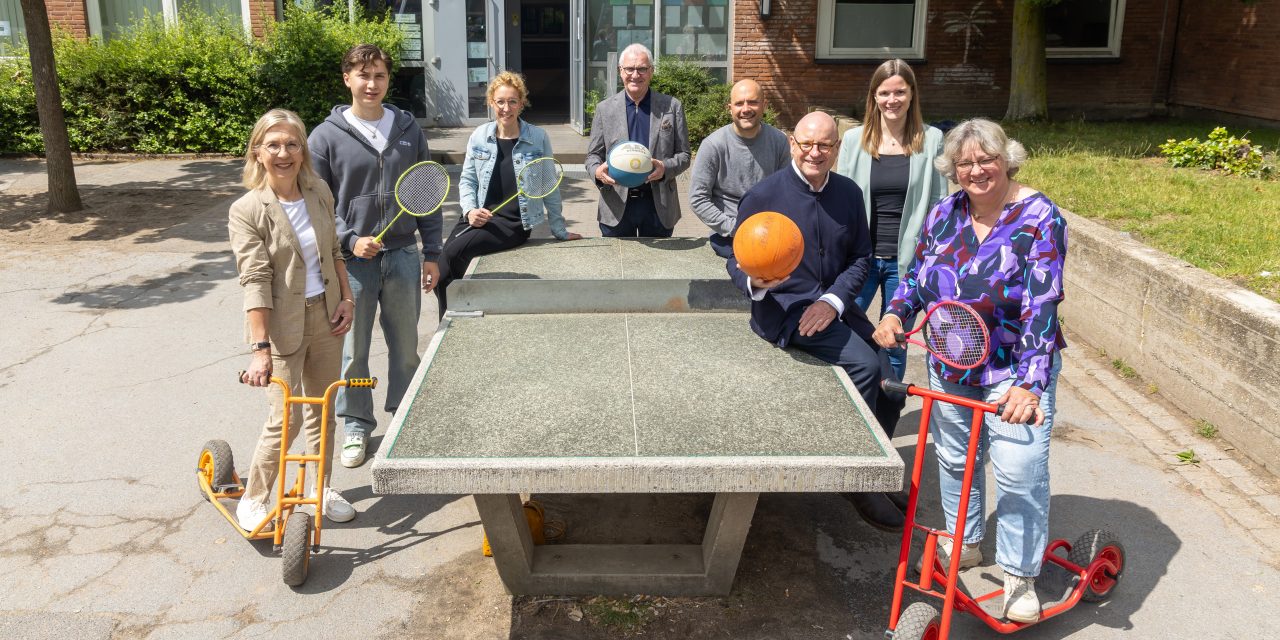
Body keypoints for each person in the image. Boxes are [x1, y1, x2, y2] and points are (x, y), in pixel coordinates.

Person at [872, 118, 1067, 624]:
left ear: (1007, 160)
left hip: (1011, 368)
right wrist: (896, 312)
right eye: (965, 163)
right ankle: (968, 543)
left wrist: (1030, 384)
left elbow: (1043, 306)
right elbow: (915, 276)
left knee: (1018, 471)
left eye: (986, 160)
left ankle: (1020, 574)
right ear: (952, 169)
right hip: (951, 359)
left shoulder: (1039, 217)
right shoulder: (945, 211)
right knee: (956, 462)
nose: (976, 170)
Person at [727, 111, 904, 532]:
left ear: (837, 150)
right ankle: (850, 474)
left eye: (824, 145)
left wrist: (833, 301)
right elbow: (736, 262)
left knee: (893, 384)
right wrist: (756, 282)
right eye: (806, 143)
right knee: (863, 365)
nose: (815, 152)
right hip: (786, 311)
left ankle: (872, 466)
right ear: (792, 144)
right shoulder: (763, 196)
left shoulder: (848, 192)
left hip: (834, 306)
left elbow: (861, 257)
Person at [309, 44, 440, 469]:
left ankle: (405, 417)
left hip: (402, 253)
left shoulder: (406, 127)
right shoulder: (324, 136)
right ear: (347, 78)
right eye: (363, 75)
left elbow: (427, 193)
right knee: (354, 351)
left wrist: (431, 252)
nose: (371, 84)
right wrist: (349, 241)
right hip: (353, 264)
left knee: (406, 346)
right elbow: (317, 205)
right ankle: (356, 425)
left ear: (387, 80)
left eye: (379, 75)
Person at [228, 109, 358, 531]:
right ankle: (256, 495)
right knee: (284, 418)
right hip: (282, 326)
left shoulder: (318, 190)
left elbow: (335, 253)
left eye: (292, 143)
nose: (284, 153)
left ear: (303, 149)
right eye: (274, 145)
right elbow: (255, 280)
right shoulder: (247, 210)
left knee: (322, 411)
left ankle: (320, 488)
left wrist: (347, 299)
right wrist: (260, 350)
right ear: (258, 152)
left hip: (326, 316)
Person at [836, 59, 947, 381]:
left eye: (900, 92)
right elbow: (843, 200)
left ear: (912, 94)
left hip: (906, 263)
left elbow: (939, 207)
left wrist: (931, 260)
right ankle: (852, 400)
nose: (892, 100)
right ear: (874, 96)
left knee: (895, 343)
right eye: (884, 93)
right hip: (861, 259)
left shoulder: (932, 140)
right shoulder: (856, 140)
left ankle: (888, 411)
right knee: (842, 331)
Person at [435, 71, 582, 316]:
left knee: (451, 254)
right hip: (479, 214)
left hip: (513, 222)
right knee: (442, 267)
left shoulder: (537, 137)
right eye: (500, 101)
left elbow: (549, 186)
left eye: (512, 101)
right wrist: (470, 210)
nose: (506, 108)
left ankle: (452, 316)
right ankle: (450, 318)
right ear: (491, 102)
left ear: (521, 104)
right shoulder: (479, 136)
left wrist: (559, 230)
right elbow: (468, 180)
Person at [584, 43, 691, 238]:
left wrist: (665, 168)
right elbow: (593, 155)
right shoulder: (605, 109)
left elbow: (684, 155)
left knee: (658, 267)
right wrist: (597, 172)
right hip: (616, 204)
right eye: (629, 69)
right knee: (616, 265)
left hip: (658, 205)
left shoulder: (672, 106)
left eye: (642, 68)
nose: (635, 75)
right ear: (620, 71)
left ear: (651, 71)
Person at [689, 79, 790, 258]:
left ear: (764, 105)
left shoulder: (779, 141)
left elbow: (788, 192)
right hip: (728, 235)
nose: (746, 109)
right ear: (730, 108)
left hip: (770, 231)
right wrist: (733, 228)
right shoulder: (713, 145)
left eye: (752, 102)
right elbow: (698, 198)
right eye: (739, 103)